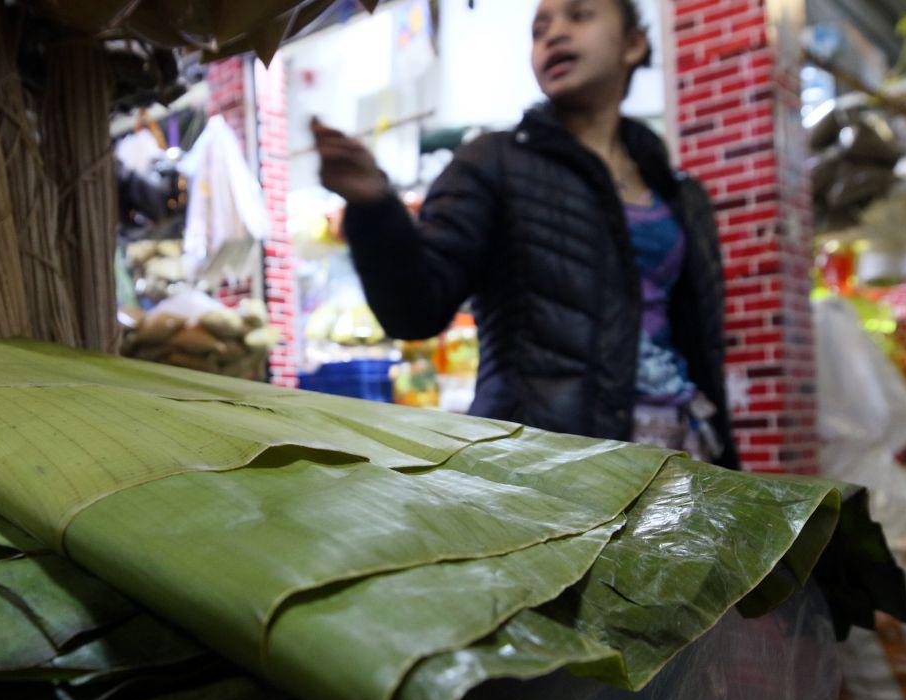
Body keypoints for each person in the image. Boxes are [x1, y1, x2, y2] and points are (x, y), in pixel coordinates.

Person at [311, 0, 738, 467]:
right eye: (539, 29)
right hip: (548, 466)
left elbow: (701, 346)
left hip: (679, 448)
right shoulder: (492, 163)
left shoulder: (681, 195)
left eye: (579, 16)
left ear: (633, 44)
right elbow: (415, 311)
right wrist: (375, 208)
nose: (553, 35)